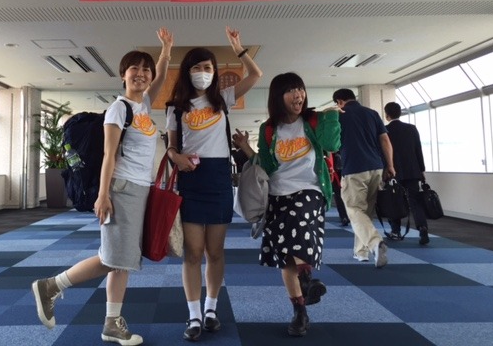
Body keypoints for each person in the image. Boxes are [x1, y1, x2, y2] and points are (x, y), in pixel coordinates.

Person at [32, 28, 173, 346]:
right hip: (121, 189)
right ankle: (51, 286)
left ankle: (112, 323)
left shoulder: (143, 106)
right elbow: (109, 155)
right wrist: (103, 194)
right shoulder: (119, 109)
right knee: (112, 258)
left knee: (121, 260)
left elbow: (163, 75)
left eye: (146, 69)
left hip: (139, 189)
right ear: (123, 74)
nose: (141, 73)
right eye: (134, 68)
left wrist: (165, 50)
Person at [165, 26, 262, 341]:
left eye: (208, 67)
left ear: (214, 71)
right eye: (197, 67)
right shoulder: (176, 107)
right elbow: (171, 146)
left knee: (215, 251)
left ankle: (210, 309)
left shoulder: (223, 99)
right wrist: (175, 157)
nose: (203, 72)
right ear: (187, 71)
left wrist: (238, 48)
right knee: (193, 252)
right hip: (192, 178)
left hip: (219, 177)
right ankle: (193, 314)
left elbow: (256, 74)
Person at [232, 73, 341, 337]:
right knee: (287, 259)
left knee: (297, 222)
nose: (298, 94)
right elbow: (268, 166)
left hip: (310, 190)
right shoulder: (269, 128)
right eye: (291, 90)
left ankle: (307, 281)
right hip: (277, 195)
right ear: (278, 97)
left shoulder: (313, 121)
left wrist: (331, 116)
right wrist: (246, 147)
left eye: (300, 89)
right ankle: (300, 311)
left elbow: (332, 144)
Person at [332, 88, 395, 268]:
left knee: (354, 210)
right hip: (376, 167)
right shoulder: (372, 113)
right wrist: (390, 165)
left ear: (339, 102)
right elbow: (385, 140)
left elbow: (331, 145)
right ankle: (361, 252)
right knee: (365, 213)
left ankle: (375, 243)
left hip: (354, 168)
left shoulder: (339, 115)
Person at [383, 101, 429, 245]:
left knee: (394, 201)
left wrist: (384, 170)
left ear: (387, 115)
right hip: (412, 170)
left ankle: (395, 230)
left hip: (393, 172)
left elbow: (382, 152)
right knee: (415, 201)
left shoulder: (384, 130)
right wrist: (421, 170)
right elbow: (418, 150)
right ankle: (422, 228)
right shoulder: (411, 128)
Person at [326, 151, 350, 226]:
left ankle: (344, 216)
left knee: (339, 191)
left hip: (338, 163)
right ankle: (344, 215)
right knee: (339, 190)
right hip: (339, 164)